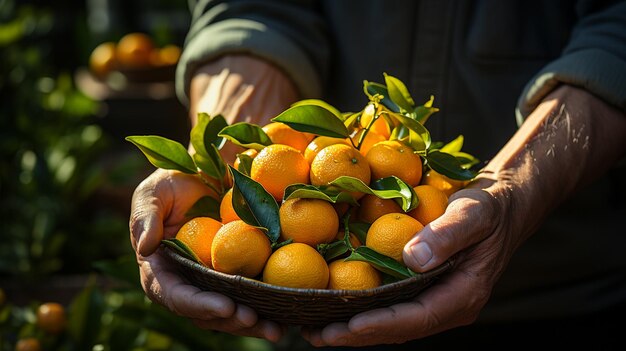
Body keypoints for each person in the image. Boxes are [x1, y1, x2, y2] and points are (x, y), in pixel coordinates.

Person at [129, 0, 626, 348]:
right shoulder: (322, 202)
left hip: (558, 297)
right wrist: (224, 162)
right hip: (316, 310)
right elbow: (251, 10)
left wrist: (514, 192)